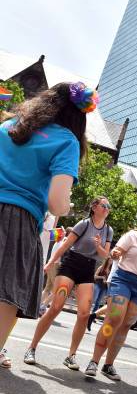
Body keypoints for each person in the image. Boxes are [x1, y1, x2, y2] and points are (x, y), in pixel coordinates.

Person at [0, 81, 93, 358]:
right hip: (16, 220)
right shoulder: (66, 140)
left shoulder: (9, 126)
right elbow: (57, 202)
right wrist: (66, 206)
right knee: (6, 294)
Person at [24, 196, 113, 369]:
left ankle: (71, 356)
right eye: (104, 205)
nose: (107, 208)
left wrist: (98, 246)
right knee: (56, 307)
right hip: (70, 265)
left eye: (109, 206)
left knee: (84, 314)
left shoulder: (108, 230)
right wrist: (50, 263)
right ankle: (31, 348)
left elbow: (104, 255)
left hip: (88, 269)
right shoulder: (84, 224)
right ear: (94, 207)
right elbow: (65, 246)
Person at [84, 208, 137, 381]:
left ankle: (108, 365)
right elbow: (117, 252)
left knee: (126, 324)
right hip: (123, 280)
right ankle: (94, 361)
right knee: (114, 318)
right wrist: (115, 253)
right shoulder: (132, 235)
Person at [86, 255, 113, 330]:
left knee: (98, 302)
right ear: (107, 260)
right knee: (93, 299)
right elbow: (94, 276)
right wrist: (102, 277)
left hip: (104, 288)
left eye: (112, 260)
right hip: (98, 285)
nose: (111, 261)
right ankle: (86, 313)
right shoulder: (101, 267)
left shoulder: (111, 270)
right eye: (110, 260)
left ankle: (92, 316)